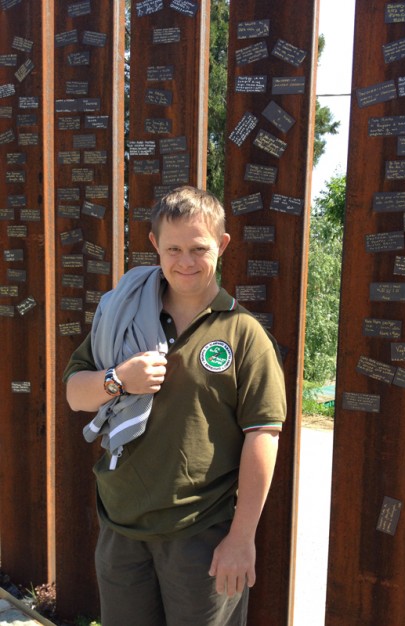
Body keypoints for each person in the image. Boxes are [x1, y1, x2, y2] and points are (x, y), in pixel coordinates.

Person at [64, 185, 287, 626]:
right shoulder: (121, 314)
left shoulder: (243, 334)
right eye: (174, 248)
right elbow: (75, 393)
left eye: (199, 248)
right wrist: (118, 379)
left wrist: (242, 538)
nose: (185, 261)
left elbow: (264, 435)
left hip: (200, 536)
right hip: (121, 527)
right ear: (155, 246)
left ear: (221, 245)